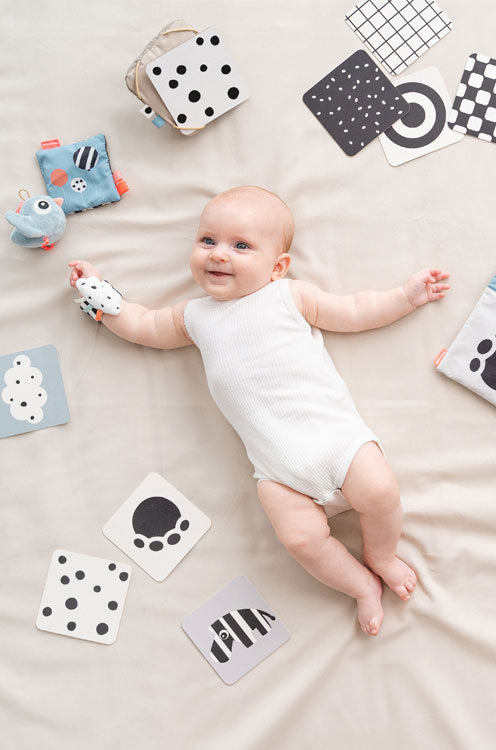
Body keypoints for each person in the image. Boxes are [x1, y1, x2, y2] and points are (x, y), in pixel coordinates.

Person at [68, 185, 450, 636]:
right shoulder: (194, 316)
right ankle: (361, 586)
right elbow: (140, 324)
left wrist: (406, 296)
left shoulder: (289, 296)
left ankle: (381, 556)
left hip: (337, 443)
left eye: (241, 246)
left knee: (382, 492)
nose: (219, 255)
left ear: (277, 267)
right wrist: (96, 292)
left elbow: (352, 310)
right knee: (300, 539)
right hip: (277, 471)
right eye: (207, 241)